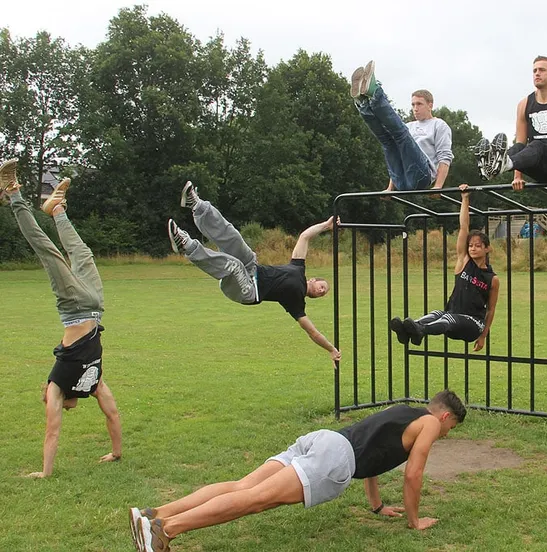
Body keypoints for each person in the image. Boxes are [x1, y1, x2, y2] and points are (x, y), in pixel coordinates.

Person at [129, 390, 466, 551]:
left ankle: (153, 514)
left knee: (242, 485)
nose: (444, 435)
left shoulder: (402, 412)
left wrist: (377, 506)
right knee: (254, 499)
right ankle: (165, 530)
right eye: (450, 429)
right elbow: (413, 475)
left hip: (322, 440)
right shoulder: (430, 425)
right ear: (445, 417)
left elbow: (374, 459)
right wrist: (414, 520)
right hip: (334, 460)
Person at [1, 158, 122, 478]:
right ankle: (56, 209)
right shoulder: (92, 384)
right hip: (95, 304)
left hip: (74, 306)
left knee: (47, 250)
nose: (46, 395)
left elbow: (53, 432)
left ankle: (12, 192)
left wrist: (46, 472)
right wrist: (116, 452)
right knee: (82, 253)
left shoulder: (58, 385)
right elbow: (112, 415)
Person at [166, 182, 341, 364]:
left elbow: (312, 331)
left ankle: (186, 245)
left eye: (323, 293)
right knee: (233, 237)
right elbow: (305, 236)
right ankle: (197, 206)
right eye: (322, 286)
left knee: (233, 265)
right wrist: (327, 225)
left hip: (249, 291)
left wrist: (331, 349)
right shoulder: (298, 267)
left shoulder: (297, 303)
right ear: (312, 279)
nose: (322, 291)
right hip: (252, 267)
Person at [389, 184, 500, 352]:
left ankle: (420, 331)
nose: (472, 248)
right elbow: (464, 227)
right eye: (470, 245)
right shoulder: (464, 262)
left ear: (487, 249)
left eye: (478, 246)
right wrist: (464, 198)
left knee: (447, 318)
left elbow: (491, 309)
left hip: (473, 323)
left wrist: (483, 335)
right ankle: (408, 330)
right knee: (436, 313)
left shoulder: (492, 279)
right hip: (452, 319)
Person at [475, 56, 547, 190]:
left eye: (542, 70)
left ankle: (504, 164)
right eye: (534, 71)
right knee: (520, 148)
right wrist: (517, 177)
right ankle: (492, 166)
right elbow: (520, 142)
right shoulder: (524, 104)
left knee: (537, 145)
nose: (537, 73)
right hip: (538, 165)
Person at [350, 61, 453, 192]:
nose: (415, 109)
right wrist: (389, 189)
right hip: (401, 182)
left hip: (421, 176)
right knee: (387, 140)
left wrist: (438, 186)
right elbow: (397, 155)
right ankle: (363, 102)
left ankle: (375, 92)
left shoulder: (439, 125)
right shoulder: (409, 126)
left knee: (400, 135)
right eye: (413, 105)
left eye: (419, 104)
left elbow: (444, 156)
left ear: (430, 105)